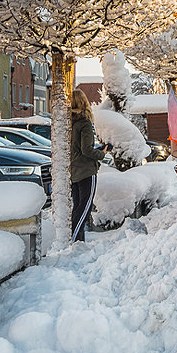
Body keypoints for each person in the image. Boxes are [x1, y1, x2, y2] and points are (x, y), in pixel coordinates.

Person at [69, 90, 101, 242]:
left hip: (74, 171)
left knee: (77, 207)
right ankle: (75, 239)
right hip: (86, 170)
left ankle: (78, 241)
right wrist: (102, 154)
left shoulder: (70, 123)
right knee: (85, 208)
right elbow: (86, 149)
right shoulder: (84, 123)